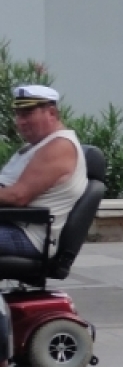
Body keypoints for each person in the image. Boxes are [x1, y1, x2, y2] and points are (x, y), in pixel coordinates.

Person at [0, 85, 88, 259]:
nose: (20, 122)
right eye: (17, 114)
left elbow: (18, 196)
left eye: (27, 114)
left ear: (52, 113)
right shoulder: (36, 146)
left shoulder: (59, 146)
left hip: (27, 236)